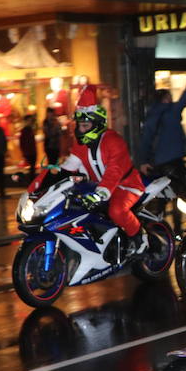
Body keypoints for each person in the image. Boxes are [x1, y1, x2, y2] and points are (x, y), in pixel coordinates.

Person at [33, 86, 148, 259]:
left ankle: (139, 237)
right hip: (97, 187)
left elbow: (114, 171)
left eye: (85, 125)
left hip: (126, 186)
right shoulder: (81, 145)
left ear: (96, 123)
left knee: (116, 210)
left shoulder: (113, 141)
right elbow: (69, 167)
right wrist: (45, 184)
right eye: (79, 124)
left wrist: (101, 193)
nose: (81, 129)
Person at [139, 57, 186, 191]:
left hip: (158, 163)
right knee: (184, 191)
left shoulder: (151, 114)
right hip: (175, 160)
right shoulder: (173, 111)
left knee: (164, 194)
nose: (172, 99)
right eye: (170, 96)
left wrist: (143, 161)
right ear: (166, 98)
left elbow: (146, 140)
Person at [18, 110, 38, 175]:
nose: (30, 122)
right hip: (28, 152)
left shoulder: (30, 129)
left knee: (32, 168)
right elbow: (22, 142)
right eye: (29, 120)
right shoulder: (25, 130)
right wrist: (24, 152)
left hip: (32, 151)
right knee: (31, 168)